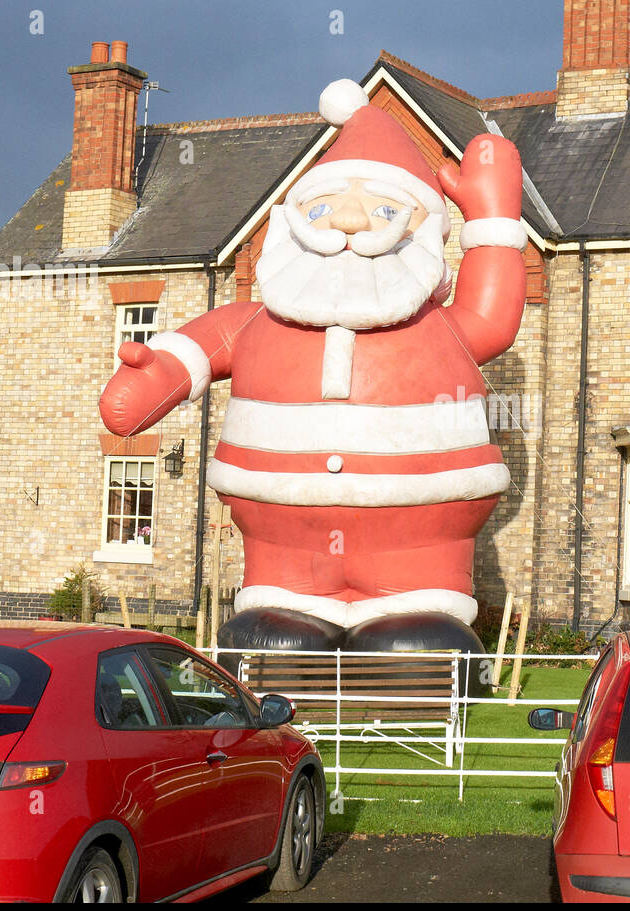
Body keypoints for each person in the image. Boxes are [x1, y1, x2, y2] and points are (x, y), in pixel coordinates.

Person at [100, 79, 526, 638]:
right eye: (323, 206)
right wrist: (149, 375)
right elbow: (187, 355)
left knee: (413, 643)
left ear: (424, 229)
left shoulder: (442, 327)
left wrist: (493, 223)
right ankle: (286, 640)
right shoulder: (253, 321)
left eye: (384, 207)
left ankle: (416, 635)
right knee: (275, 641)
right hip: (282, 551)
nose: (349, 222)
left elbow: (492, 316)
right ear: (293, 221)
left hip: (421, 544)